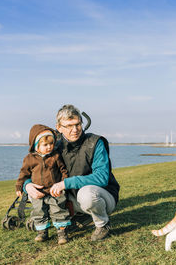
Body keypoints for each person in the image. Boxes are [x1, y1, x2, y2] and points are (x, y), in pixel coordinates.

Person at [25, 104, 120, 241]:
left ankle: (102, 224)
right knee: (35, 191)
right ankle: (80, 216)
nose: (74, 130)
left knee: (86, 194)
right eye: (68, 126)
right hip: (71, 197)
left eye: (77, 124)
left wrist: (65, 183)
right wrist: (27, 186)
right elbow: (33, 170)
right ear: (59, 128)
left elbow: (102, 178)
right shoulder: (53, 146)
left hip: (102, 196)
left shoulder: (95, 143)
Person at [15, 124, 71, 245]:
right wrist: (19, 186)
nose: (49, 147)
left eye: (51, 144)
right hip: (39, 192)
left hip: (54, 190)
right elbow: (24, 173)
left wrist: (63, 183)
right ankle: (42, 232)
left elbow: (63, 170)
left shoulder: (55, 156)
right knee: (39, 212)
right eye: (45, 145)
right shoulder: (29, 159)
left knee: (59, 210)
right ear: (36, 145)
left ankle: (62, 233)